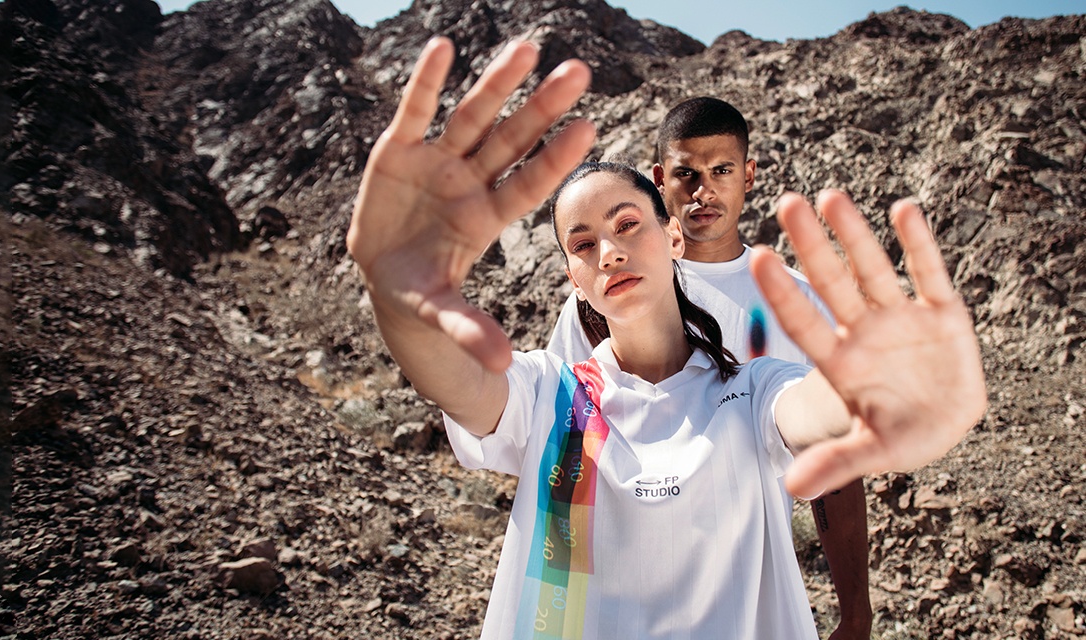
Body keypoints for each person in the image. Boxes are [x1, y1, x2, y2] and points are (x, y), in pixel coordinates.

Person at [346, 37, 987, 639]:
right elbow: (461, 386)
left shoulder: (755, 390)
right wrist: (395, 295)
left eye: (627, 224)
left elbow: (821, 414)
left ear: (671, 235)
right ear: (573, 279)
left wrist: (891, 389)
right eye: (583, 244)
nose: (609, 253)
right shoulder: (549, 389)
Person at [546, 97, 872, 638]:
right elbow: (563, 457)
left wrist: (856, 611)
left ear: (748, 175)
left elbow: (834, 467)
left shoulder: (799, 305)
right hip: (619, 598)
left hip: (748, 594)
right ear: (659, 180)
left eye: (721, 171)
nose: (704, 191)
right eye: (686, 174)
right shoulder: (603, 299)